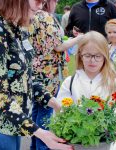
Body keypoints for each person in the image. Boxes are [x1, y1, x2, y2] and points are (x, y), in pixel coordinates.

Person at [0, 0, 74, 150]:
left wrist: (54, 102)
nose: (41, 5)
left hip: (13, 122)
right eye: (38, 0)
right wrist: (40, 133)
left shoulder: (17, 27)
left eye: (43, 1)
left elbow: (26, 76)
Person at [57, 31, 116, 150]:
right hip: (77, 143)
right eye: (88, 55)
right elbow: (61, 116)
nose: (92, 60)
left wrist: (113, 135)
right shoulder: (69, 83)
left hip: (108, 144)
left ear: (105, 56)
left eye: (98, 56)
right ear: (80, 55)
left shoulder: (113, 83)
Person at [28, 1, 84, 150]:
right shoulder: (45, 17)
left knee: (38, 111)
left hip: (35, 71)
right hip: (47, 73)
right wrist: (80, 38)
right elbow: (58, 47)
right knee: (46, 114)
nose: (56, 3)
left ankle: (35, 147)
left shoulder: (31, 15)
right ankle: (42, 147)